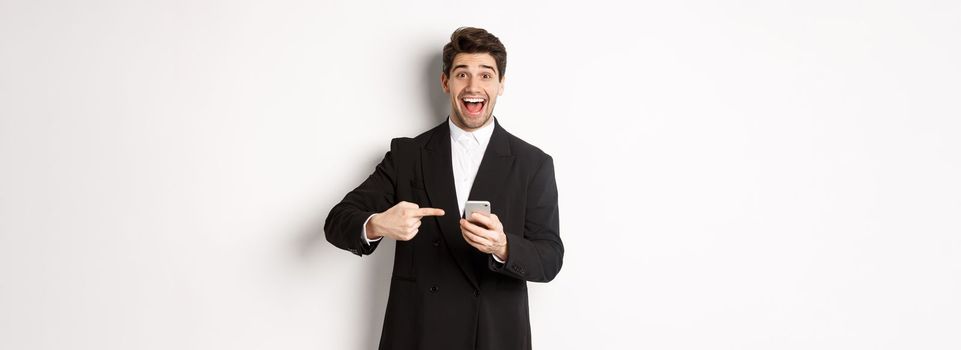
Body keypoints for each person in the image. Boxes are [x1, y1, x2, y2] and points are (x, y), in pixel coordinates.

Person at [325, 27, 563, 350]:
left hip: (493, 338)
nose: (473, 87)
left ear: (501, 84)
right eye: (462, 74)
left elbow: (550, 258)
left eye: (486, 75)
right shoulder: (408, 155)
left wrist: (504, 247)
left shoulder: (532, 164)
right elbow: (337, 221)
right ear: (445, 82)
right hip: (418, 335)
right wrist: (379, 223)